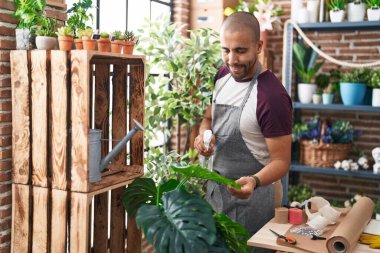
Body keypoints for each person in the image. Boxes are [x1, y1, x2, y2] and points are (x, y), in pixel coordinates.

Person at [194, 12, 292, 253]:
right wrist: (203, 136)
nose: (231, 59)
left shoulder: (271, 96)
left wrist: (254, 181)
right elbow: (207, 119)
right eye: (225, 50)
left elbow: (281, 161)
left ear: (258, 46)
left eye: (240, 50)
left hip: (255, 199)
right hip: (216, 194)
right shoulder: (221, 77)